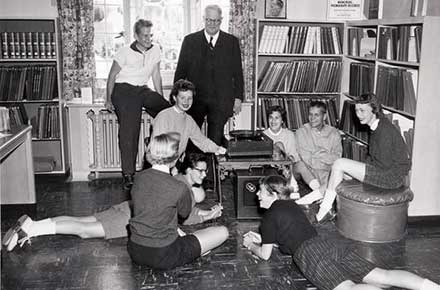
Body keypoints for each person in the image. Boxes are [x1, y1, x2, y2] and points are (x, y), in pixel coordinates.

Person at [242, 175, 439, 290]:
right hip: (327, 245)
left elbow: (265, 255)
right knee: (385, 276)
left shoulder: (268, 217)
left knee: (349, 289)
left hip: (310, 255)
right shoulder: (293, 206)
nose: (257, 195)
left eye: (261, 191)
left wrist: (250, 245)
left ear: (274, 194)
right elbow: (290, 232)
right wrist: (266, 239)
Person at [1, 152, 222, 252]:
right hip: (129, 218)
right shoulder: (182, 186)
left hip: (128, 209)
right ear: (188, 170)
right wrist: (208, 215)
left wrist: (205, 211)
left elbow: (182, 210)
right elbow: (186, 217)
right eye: (200, 171)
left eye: (204, 171)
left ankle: (35, 224)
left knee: (81, 221)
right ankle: (33, 230)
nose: (203, 175)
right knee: (83, 231)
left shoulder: (176, 179)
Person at [127, 132, 229, 270]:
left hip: (135, 249)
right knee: (222, 231)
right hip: (163, 254)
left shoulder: (138, 178)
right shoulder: (178, 187)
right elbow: (184, 214)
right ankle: (195, 250)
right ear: (176, 158)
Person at [315, 94, 411, 222]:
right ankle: (307, 201)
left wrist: (359, 172)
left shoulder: (384, 131)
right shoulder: (377, 125)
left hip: (391, 177)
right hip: (384, 171)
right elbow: (375, 158)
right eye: (356, 110)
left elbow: (384, 165)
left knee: (339, 163)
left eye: (362, 111)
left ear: (374, 110)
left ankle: (324, 210)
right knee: (338, 172)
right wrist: (357, 172)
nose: (358, 114)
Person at [105, 19, 170, 190]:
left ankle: (152, 139)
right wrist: (108, 99)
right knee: (130, 131)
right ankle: (128, 174)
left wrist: (161, 100)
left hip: (142, 89)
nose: (148, 39)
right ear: (136, 36)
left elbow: (156, 75)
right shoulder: (124, 52)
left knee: (169, 111)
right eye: (145, 36)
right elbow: (111, 76)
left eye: (150, 35)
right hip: (123, 90)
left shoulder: (155, 50)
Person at [173, 4, 244, 146]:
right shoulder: (190, 41)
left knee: (215, 141)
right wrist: (176, 97)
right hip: (195, 100)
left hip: (221, 101)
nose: (212, 24)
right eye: (209, 20)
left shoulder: (231, 42)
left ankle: (212, 168)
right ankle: (192, 168)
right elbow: (181, 71)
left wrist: (238, 98)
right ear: (204, 19)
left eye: (216, 20)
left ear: (221, 20)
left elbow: (238, 73)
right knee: (191, 139)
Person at [151, 79, 226, 160]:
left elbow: (202, 141)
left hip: (173, 164)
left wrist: (218, 149)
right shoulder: (164, 116)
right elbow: (157, 149)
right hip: (158, 164)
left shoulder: (188, 120)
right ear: (175, 98)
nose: (186, 101)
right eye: (182, 97)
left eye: (189, 98)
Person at [294, 101, 342, 205]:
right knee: (301, 165)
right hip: (308, 170)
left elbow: (337, 157)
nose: (312, 118)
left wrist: (318, 155)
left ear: (324, 116)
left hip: (327, 171)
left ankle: (318, 195)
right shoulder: (301, 132)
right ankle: (319, 193)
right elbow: (306, 158)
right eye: (310, 114)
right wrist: (325, 157)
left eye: (316, 115)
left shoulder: (334, 133)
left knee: (340, 173)